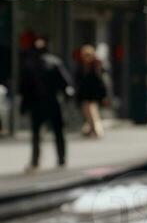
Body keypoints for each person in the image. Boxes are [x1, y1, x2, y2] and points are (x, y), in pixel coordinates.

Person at [18, 36, 75, 172]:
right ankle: (61, 158)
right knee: (58, 132)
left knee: (37, 134)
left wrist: (24, 105)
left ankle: (35, 160)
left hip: (37, 103)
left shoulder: (30, 64)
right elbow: (65, 83)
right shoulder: (54, 62)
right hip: (52, 102)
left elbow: (24, 88)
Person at [75, 45, 110, 138]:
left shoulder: (96, 66)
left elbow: (101, 82)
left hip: (93, 94)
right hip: (84, 94)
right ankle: (91, 128)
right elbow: (77, 80)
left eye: (88, 55)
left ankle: (96, 129)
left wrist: (104, 96)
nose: (87, 57)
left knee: (92, 111)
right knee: (87, 113)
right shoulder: (81, 66)